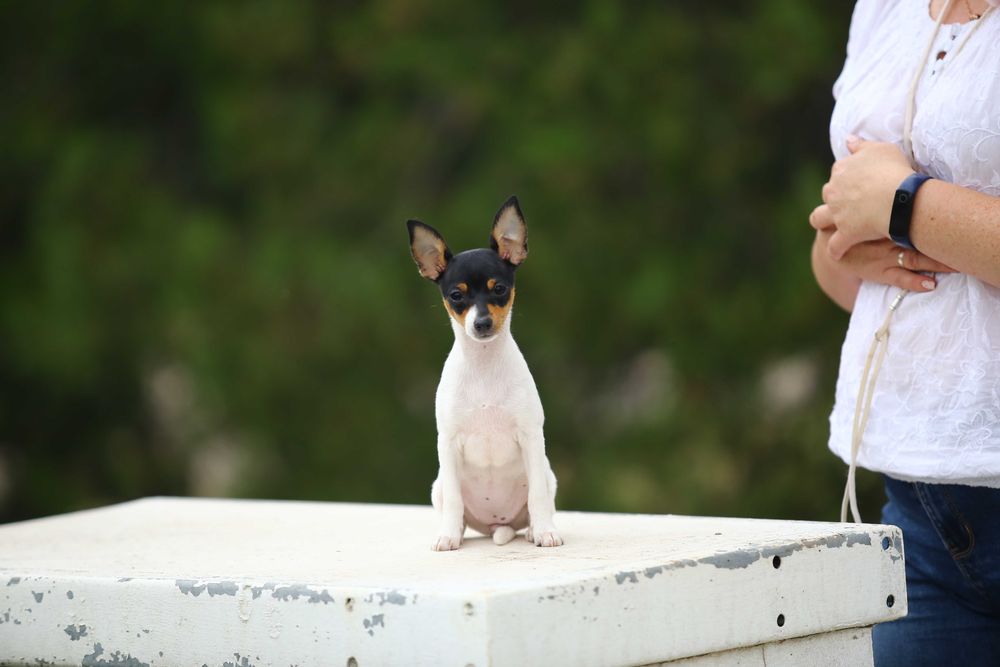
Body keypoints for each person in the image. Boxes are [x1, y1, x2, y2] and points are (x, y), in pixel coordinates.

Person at [809, 0, 1000, 665]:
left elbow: (893, 205)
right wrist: (845, 243)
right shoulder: (884, 7)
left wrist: (905, 206)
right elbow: (842, 270)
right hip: (918, 512)